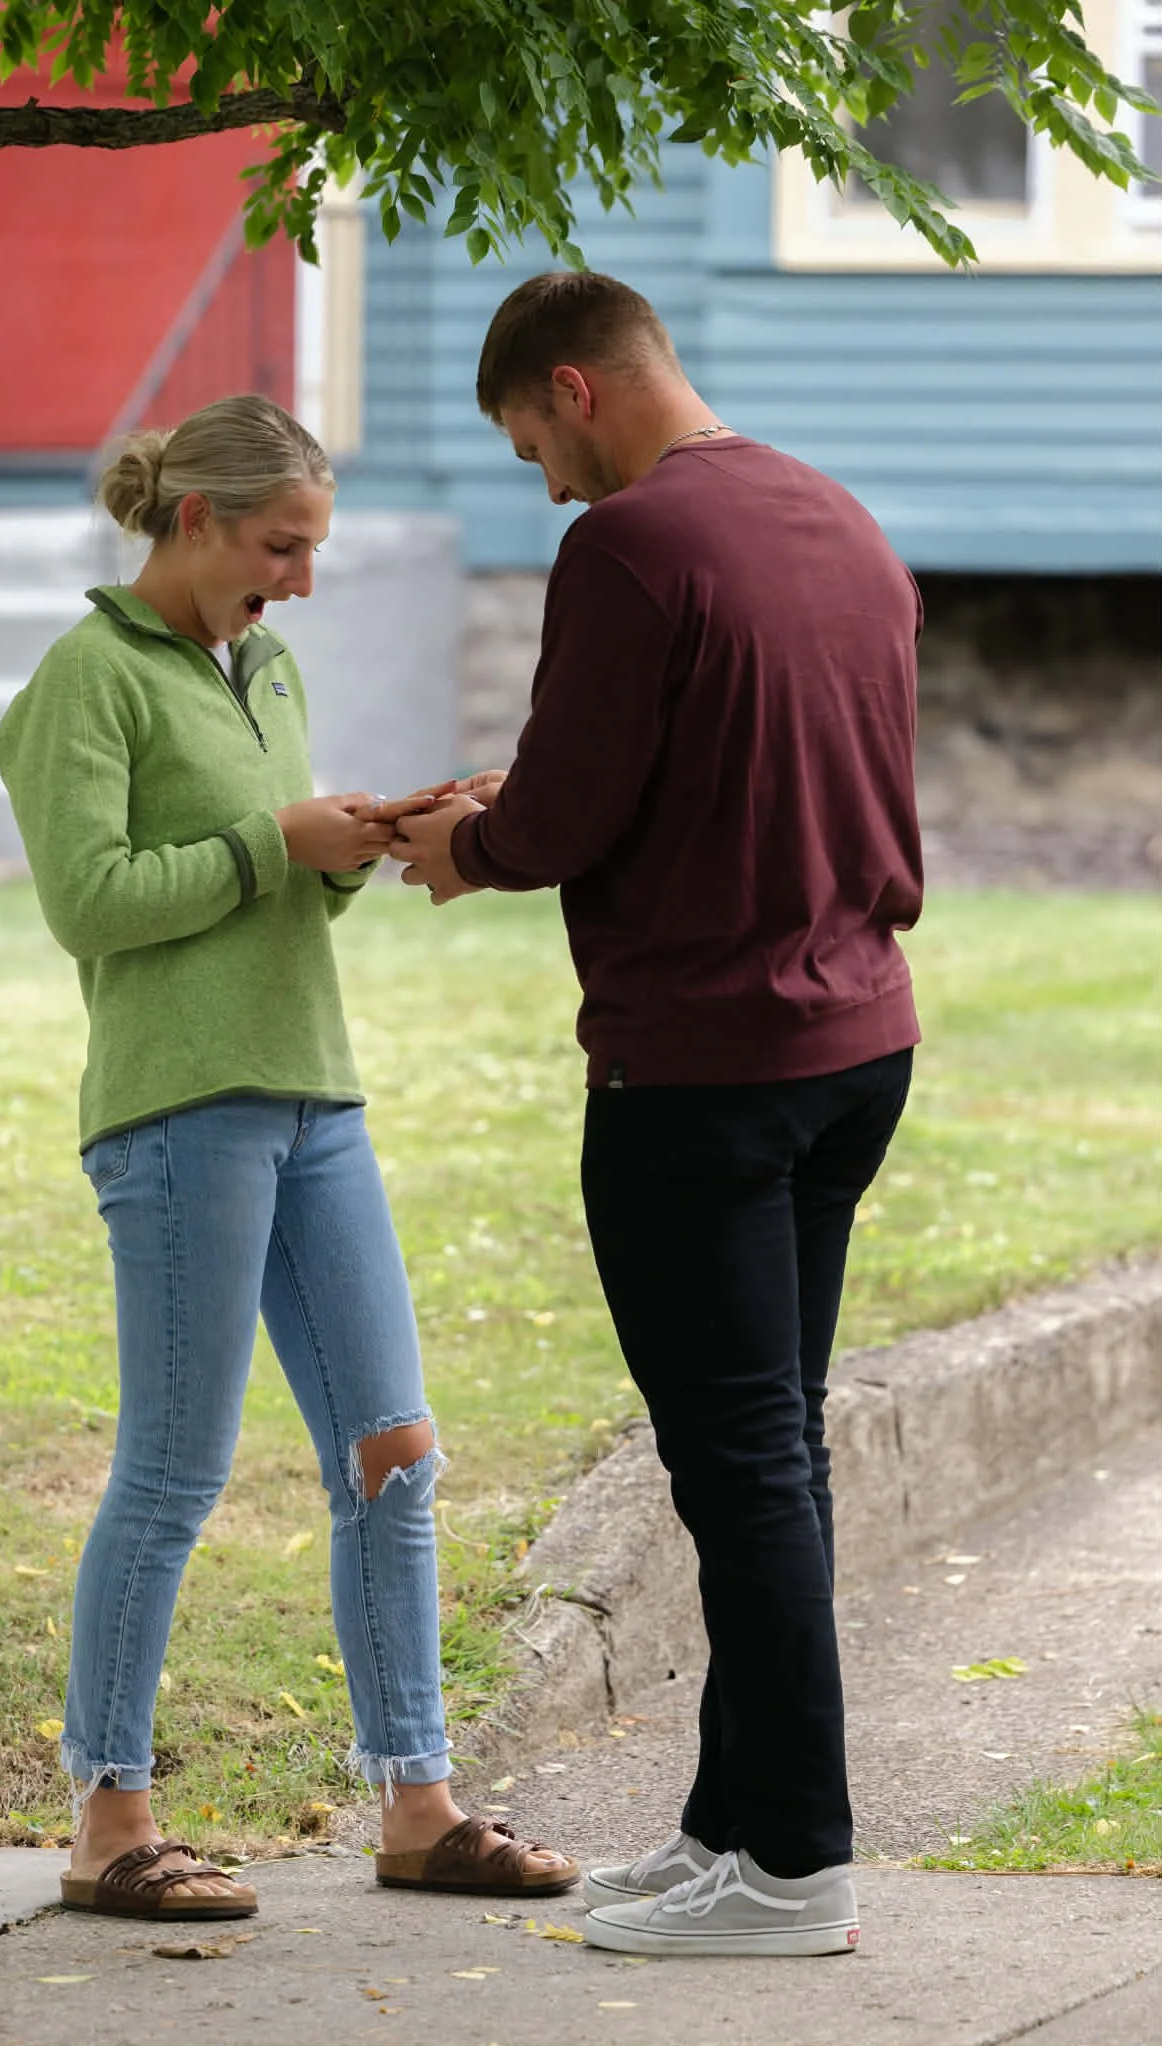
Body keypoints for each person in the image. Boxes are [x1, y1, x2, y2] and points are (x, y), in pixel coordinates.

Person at [387, 273, 923, 1958]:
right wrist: (529, 800)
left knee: (742, 1471)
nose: (547, 486)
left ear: (574, 388)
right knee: (771, 1453)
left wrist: (465, 845)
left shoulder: (627, 545)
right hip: (853, 1045)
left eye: (532, 446)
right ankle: (725, 1830)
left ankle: (798, 1869)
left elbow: (564, 817)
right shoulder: (834, 517)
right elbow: (709, 767)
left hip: (702, 1075)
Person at [0, 394, 577, 1922]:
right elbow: (91, 902)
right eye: (280, 547)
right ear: (193, 519)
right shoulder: (86, 678)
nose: (302, 580)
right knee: (174, 1468)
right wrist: (275, 844)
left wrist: (368, 839)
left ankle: (418, 1805)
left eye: (314, 550)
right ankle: (109, 1822)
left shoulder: (264, 667)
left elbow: (272, 885)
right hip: (179, 1107)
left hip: (318, 1093)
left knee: (394, 1452)